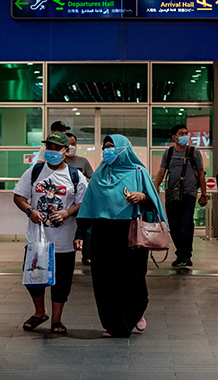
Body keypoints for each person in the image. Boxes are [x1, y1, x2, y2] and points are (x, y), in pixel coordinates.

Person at [73, 134, 167, 338]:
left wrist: (142, 197)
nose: (107, 151)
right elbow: (88, 204)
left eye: (112, 147)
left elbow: (153, 201)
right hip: (102, 232)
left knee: (132, 278)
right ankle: (115, 325)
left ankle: (136, 311)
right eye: (105, 147)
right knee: (104, 280)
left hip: (130, 232)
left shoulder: (138, 172)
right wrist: (80, 233)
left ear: (124, 149)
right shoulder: (99, 174)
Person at [13, 132, 88, 334]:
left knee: (62, 282)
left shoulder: (75, 176)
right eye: (49, 147)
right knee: (33, 278)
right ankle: (40, 312)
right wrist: (30, 210)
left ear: (66, 151)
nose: (52, 151)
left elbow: (83, 202)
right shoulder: (35, 171)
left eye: (57, 148)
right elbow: (19, 196)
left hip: (64, 239)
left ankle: (56, 319)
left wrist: (67, 212)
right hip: (37, 238)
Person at [153, 125, 208, 267]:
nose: (185, 136)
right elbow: (161, 171)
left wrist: (204, 194)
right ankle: (182, 253)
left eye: (186, 133)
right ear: (174, 137)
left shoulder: (194, 152)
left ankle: (185, 255)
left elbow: (201, 173)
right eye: (181, 133)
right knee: (174, 225)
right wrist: (156, 187)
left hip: (189, 194)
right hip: (173, 194)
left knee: (187, 223)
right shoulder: (169, 153)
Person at [64, 132, 94, 265]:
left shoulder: (83, 161)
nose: (71, 147)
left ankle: (86, 254)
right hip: (65, 203)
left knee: (84, 227)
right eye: (68, 144)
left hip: (82, 202)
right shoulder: (58, 162)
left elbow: (92, 178)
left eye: (73, 144)